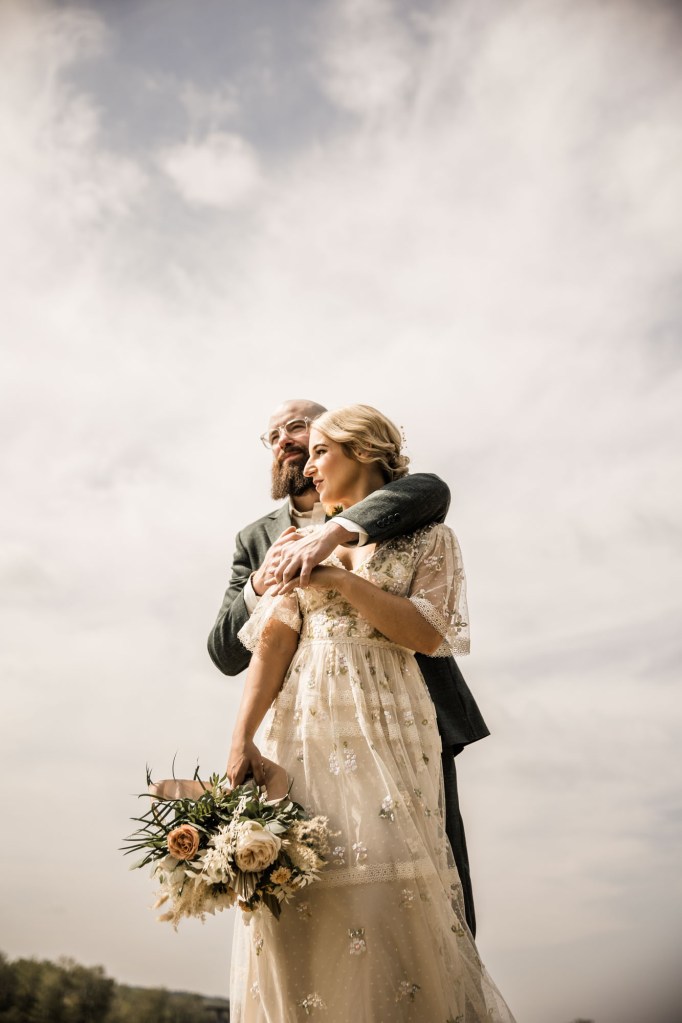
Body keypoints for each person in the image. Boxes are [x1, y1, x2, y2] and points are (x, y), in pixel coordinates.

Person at [226, 405, 515, 1023]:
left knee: (406, 886)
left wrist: (337, 574)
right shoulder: (276, 538)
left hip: (396, 717)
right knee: (302, 883)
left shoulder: (422, 520)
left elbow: (428, 635)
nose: (301, 460)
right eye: (282, 444)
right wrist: (240, 739)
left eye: (315, 447)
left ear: (358, 450)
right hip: (304, 719)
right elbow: (267, 644)